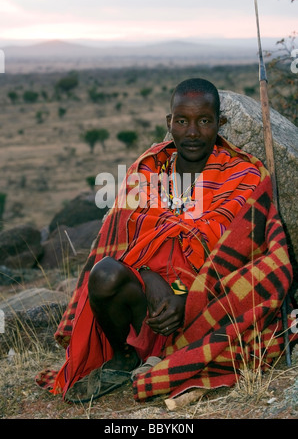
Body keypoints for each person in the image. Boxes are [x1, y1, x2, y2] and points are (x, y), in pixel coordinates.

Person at [36, 78, 297, 403]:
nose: (192, 132)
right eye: (182, 121)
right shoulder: (147, 171)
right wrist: (148, 274)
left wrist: (183, 294)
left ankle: (172, 360)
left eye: (204, 121)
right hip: (147, 306)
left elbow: (240, 250)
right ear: (169, 123)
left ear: (220, 123)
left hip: (206, 302)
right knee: (103, 275)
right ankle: (123, 358)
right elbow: (122, 237)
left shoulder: (243, 175)